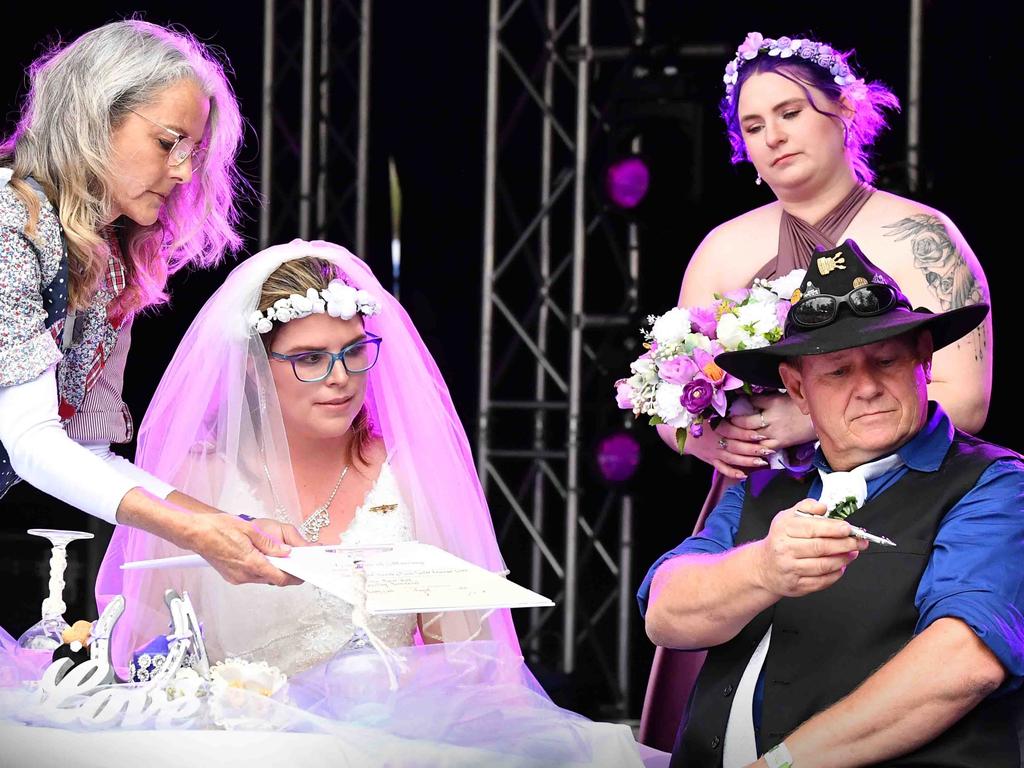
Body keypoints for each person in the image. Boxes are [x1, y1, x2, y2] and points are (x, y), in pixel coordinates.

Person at [82, 240, 650, 767]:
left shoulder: (408, 474)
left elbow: (470, 664)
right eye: (309, 358)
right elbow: (141, 651)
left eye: (354, 351)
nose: (341, 378)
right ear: (256, 369)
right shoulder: (196, 479)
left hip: (390, 748)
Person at [640, 31, 994, 750]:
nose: (773, 136)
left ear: (845, 111)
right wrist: (707, 433)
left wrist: (809, 420)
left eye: (790, 112)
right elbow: (663, 399)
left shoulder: (921, 235)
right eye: (753, 125)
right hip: (756, 500)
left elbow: (968, 396)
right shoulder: (724, 248)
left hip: (899, 492)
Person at [640, 240, 1022, 766]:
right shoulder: (764, 488)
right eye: (837, 371)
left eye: (885, 360)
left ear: (924, 360)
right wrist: (764, 568)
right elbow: (665, 614)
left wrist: (781, 764)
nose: (866, 387)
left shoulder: (995, 483)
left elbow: (963, 663)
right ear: (797, 390)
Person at [0, 20, 298, 589]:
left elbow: (87, 449)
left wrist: (227, 524)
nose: (185, 171)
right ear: (95, 115)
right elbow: (32, 442)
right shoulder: (9, 223)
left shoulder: (107, 257)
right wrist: (195, 535)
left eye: (194, 151)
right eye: (169, 142)